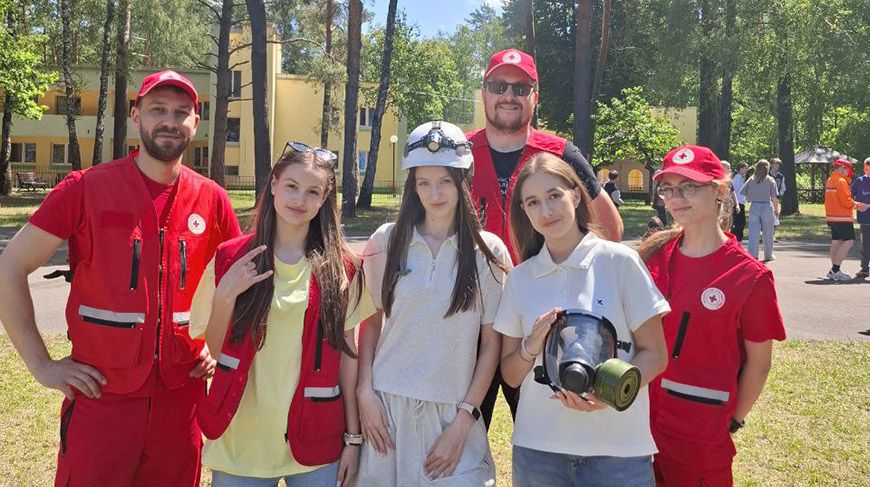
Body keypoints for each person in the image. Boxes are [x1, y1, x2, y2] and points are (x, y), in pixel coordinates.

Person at [0, 70, 242, 486]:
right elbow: (11, 266)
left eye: (181, 112)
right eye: (157, 110)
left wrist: (215, 345)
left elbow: (239, 284)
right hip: (101, 399)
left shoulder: (212, 199)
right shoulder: (86, 189)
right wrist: (41, 365)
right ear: (135, 117)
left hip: (180, 403)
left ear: (195, 123)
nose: (169, 121)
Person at [191, 143, 375, 487]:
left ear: (324, 199)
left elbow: (348, 360)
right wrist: (226, 295)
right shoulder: (231, 258)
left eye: (312, 192)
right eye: (292, 185)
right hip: (241, 441)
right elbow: (217, 351)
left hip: (317, 437)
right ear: (274, 184)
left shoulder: (343, 267)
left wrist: (353, 438)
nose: (299, 199)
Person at [468, 47, 624, 427]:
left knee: (545, 430)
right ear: (484, 92)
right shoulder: (460, 153)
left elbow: (610, 227)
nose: (509, 95)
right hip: (472, 321)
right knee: (463, 434)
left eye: (520, 88)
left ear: (534, 97)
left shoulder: (560, 154)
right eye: (499, 86)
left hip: (537, 321)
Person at [494, 152, 669, 486]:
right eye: (533, 202)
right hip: (539, 451)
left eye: (554, 195)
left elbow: (656, 354)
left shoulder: (621, 262)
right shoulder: (520, 279)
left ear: (576, 195)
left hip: (618, 452)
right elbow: (511, 376)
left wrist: (610, 395)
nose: (546, 211)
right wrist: (531, 346)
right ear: (524, 211)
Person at [355, 121, 511, 486]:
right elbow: (370, 323)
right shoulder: (386, 241)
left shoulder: (488, 251)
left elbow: (491, 345)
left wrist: (465, 419)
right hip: (386, 409)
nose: (434, 193)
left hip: (452, 414)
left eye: (444, 181)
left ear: (462, 181)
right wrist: (365, 392)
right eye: (423, 183)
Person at [637, 145, 786, 486]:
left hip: (700, 437)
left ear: (720, 190)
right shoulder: (653, 257)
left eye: (689, 186)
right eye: (668, 188)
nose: (676, 198)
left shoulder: (749, 276)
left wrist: (733, 419)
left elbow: (759, 363)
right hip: (638, 427)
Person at [826, 159, 867, 281]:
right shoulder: (841, 181)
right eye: (848, 171)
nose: (848, 173)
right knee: (848, 241)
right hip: (842, 217)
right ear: (842, 168)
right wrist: (859, 205)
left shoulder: (830, 179)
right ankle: (835, 270)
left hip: (832, 216)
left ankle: (834, 270)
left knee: (836, 242)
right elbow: (846, 201)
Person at [740, 159, 779, 262]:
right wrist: (776, 210)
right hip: (766, 206)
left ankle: (752, 254)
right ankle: (768, 255)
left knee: (753, 232)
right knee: (768, 232)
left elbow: (743, 192)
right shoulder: (770, 180)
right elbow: (774, 197)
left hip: (754, 206)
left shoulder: (751, 179)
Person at [850, 158, 870, 279]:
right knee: (865, 245)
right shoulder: (859, 181)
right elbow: (848, 196)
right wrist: (856, 205)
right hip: (865, 220)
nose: (867, 171)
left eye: (869, 169)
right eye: (866, 169)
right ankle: (864, 269)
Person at [731, 162, 749, 241]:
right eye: (745, 168)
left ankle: (738, 238)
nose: (746, 170)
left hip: (741, 202)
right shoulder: (737, 177)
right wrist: (736, 203)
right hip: (738, 203)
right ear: (741, 168)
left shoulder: (740, 177)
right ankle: (737, 239)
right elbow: (734, 190)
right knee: (739, 223)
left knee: (741, 222)